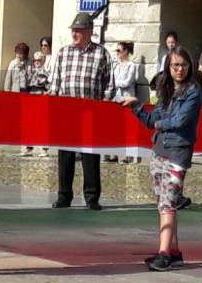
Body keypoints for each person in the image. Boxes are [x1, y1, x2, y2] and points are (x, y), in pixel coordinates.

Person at [121, 45, 202, 272]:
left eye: (184, 65)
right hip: (159, 150)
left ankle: (164, 253)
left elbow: (180, 121)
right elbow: (151, 120)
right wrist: (136, 106)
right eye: (176, 65)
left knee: (169, 202)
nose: (180, 70)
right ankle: (173, 252)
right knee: (164, 204)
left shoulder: (193, 91)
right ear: (168, 67)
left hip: (177, 152)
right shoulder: (165, 91)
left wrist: (159, 124)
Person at [49, 11, 113, 211]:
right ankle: (63, 195)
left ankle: (92, 197)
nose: (74, 34)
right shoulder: (63, 53)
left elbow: (109, 84)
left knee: (90, 156)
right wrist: (52, 103)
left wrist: (104, 104)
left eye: (78, 31)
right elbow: (56, 82)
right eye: (73, 30)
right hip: (67, 111)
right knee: (65, 156)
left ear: (89, 32)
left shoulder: (101, 54)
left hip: (90, 112)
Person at [4, 42, 33, 156]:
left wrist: (25, 69)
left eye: (22, 53)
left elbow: (31, 77)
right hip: (15, 91)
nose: (20, 55)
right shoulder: (13, 63)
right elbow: (8, 79)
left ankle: (27, 142)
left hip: (26, 91)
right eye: (18, 53)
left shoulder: (29, 63)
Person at [111, 41, 137, 164]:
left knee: (128, 128)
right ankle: (114, 153)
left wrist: (116, 83)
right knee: (115, 127)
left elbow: (127, 82)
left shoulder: (131, 65)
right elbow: (111, 80)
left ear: (125, 51)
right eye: (116, 51)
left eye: (119, 50)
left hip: (127, 98)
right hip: (115, 98)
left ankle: (128, 155)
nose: (117, 53)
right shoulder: (115, 65)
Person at [28, 52, 51, 158]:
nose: (36, 62)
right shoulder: (31, 72)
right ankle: (29, 147)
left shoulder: (45, 73)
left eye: (39, 60)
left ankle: (44, 149)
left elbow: (49, 87)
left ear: (42, 61)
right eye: (35, 60)